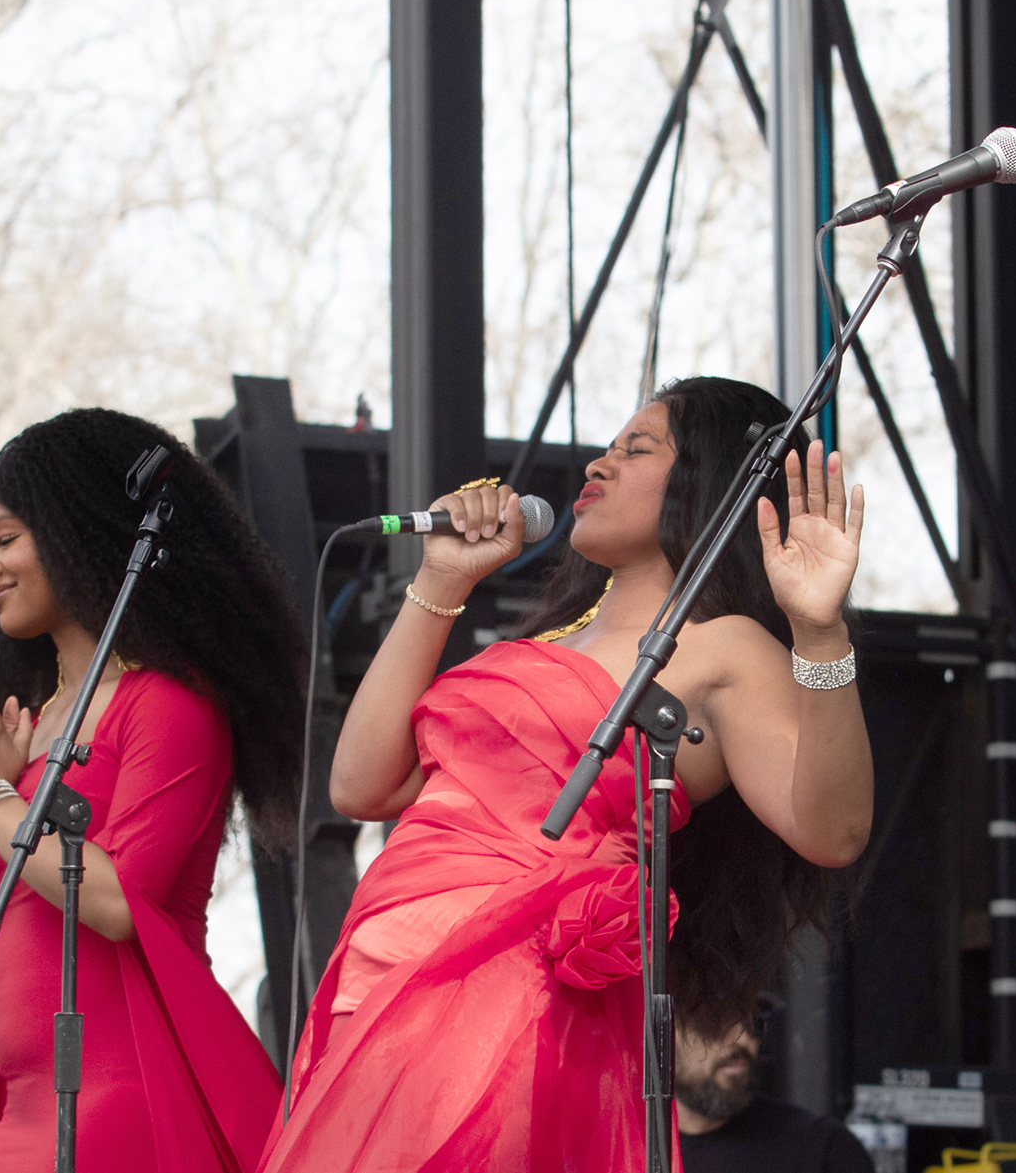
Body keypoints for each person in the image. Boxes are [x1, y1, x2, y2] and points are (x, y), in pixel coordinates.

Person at [259, 376, 874, 1171]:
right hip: (380, 974)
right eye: (608, 444)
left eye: (636, 447)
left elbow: (834, 829)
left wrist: (819, 632)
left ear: (708, 481)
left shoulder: (721, 647)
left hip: (514, 998)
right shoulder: (535, 643)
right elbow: (360, 784)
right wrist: (443, 580)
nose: (600, 462)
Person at [0, 409, 305, 1173]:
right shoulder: (27, 726)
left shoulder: (170, 702)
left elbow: (120, 901)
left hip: (127, 1103)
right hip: (21, 1115)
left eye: (6, 540)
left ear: (76, 528)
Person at [676, 1012, 875, 1173]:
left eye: (753, 1024)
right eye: (715, 1024)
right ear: (665, 1038)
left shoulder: (822, 1150)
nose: (743, 1039)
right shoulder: (645, 1148)